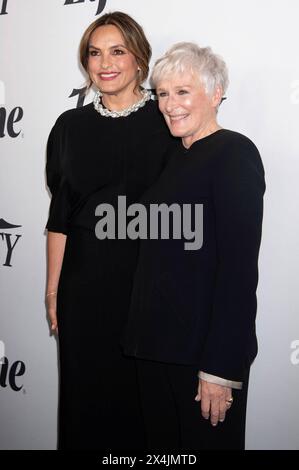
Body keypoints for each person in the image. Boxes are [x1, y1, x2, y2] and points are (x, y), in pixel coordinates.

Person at [123, 42, 265, 449]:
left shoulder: (234, 154)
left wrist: (220, 368)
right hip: (153, 348)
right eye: (163, 94)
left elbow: (238, 271)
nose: (170, 105)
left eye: (183, 92)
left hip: (201, 358)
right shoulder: (173, 156)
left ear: (216, 93)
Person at [45, 11, 175, 450]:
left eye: (117, 51)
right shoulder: (69, 127)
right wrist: (52, 292)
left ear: (139, 58)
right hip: (83, 292)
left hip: (148, 289)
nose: (105, 63)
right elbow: (60, 217)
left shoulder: (168, 120)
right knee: (86, 404)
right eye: (95, 53)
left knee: (145, 411)